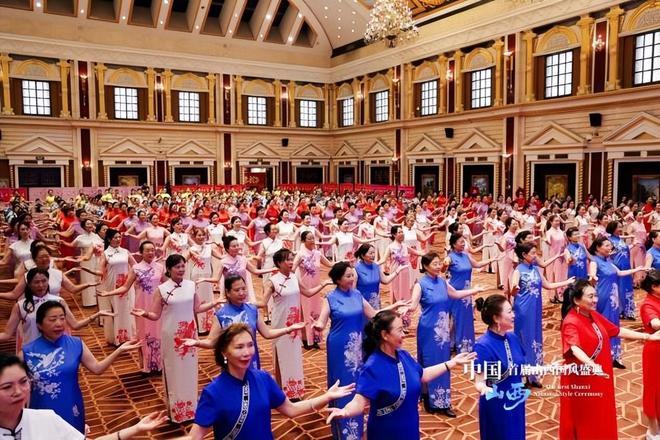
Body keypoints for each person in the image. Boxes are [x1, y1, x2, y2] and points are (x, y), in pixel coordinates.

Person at [187, 323, 355, 439]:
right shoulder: (213, 393)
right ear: (224, 352)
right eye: (239, 347)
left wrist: (326, 396)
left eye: (250, 345)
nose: (247, 352)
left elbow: (291, 410)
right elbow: (194, 437)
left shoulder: (263, 379)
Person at [324, 310, 474, 439]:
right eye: (400, 330)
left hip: (410, 427)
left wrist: (452, 363)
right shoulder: (372, 366)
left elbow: (423, 375)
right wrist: (345, 412)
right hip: (386, 432)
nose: (404, 334)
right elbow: (359, 402)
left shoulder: (404, 355)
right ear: (385, 335)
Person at [312, 262, 406, 439]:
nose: (352, 278)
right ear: (338, 279)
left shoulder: (357, 294)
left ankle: (355, 423)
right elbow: (322, 322)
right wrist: (317, 327)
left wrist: (393, 307)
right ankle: (341, 427)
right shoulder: (330, 298)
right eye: (348, 276)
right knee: (342, 383)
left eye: (352, 275)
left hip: (357, 346)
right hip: (339, 348)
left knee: (357, 382)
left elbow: (374, 314)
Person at [559, 280, 660, 440]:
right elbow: (574, 347)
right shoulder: (571, 322)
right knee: (588, 418)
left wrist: (647, 337)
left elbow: (617, 331)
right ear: (577, 300)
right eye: (590, 296)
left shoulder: (592, 315)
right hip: (584, 377)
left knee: (603, 413)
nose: (595, 300)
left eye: (595, 295)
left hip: (601, 374)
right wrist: (591, 364)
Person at [21, 300, 141, 433]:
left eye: (62, 318)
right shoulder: (27, 352)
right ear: (39, 325)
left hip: (71, 405)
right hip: (41, 409)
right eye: (52, 319)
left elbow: (97, 368)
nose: (59, 323)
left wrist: (119, 351)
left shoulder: (76, 344)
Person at [131, 254, 219, 423]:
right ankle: (176, 410)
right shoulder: (162, 289)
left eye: (183, 266)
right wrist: (145, 314)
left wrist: (214, 303)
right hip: (171, 335)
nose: (181, 269)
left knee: (190, 369)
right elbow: (155, 315)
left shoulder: (191, 285)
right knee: (173, 370)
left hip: (190, 334)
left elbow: (197, 308)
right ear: (169, 269)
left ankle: (191, 407)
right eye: (177, 267)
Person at [0, 353, 168, 439]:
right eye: (7, 387)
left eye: (24, 382)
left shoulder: (45, 419)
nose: (18, 391)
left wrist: (136, 428)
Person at [406, 251, 484, 416]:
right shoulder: (420, 284)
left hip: (444, 330)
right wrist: (405, 310)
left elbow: (456, 294)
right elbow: (413, 305)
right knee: (429, 362)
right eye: (434, 264)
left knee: (444, 362)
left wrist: (473, 290)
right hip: (428, 330)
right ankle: (428, 397)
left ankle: (443, 400)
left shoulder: (442, 282)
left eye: (439, 263)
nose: (438, 266)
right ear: (425, 266)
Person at [191, 275, 307, 371]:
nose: (242, 293)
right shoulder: (221, 314)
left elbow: (267, 333)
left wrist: (288, 329)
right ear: (228, 292)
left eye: (243, 288)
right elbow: (212, 342)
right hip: (231, 363)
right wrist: (196, 342)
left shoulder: (252, 309)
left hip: (251, 359)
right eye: (237, 290)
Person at [510, 242, 575, 387]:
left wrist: (566, 282)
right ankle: (522, 376)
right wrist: (514, 289)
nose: (535, 256)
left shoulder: (535, 269)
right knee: (524, 339)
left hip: (535, 309)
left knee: (535, 338)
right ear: (524, 255)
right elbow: (513, 292)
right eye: (533, 253)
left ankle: (533, 374)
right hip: (523, 310)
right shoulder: (518, 271)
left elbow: (548, 286)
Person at [0, 268, 110, 352]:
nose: (41, 285)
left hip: (56, 349)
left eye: (44, 281)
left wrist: (96, 315)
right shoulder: (21, 306)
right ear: (29, 284)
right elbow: (7, 334)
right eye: (36, 282)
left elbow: (75, 325)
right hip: (32, 351)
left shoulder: (58, 301)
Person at [98, 240, 165, 373]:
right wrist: (109, 293)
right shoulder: (136, 268)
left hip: (157, 305)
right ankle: (146, 366)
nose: (151, 252)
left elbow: (166, 284)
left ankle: (158, 364)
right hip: (142, 306)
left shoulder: (160, 267)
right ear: (141, 253)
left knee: (158, 332)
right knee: (144, 333)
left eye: (152, 250)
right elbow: (125, 287)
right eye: (147, 250)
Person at [588, 236, 649, 369]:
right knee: (604, 324)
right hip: (603, 298)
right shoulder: (594, 262)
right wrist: (593, 277)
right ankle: (603, 355)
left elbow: (620, 273)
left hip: (614, 299)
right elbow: (592, 275)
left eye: (610, 245)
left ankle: (614, 356)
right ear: (598, 248)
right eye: (607, 246)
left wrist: (637, 269)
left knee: (614, 324)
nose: (610, 248)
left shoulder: (609, 261)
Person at [473, 294, 527, 440]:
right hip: (497, 405)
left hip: (516, 400)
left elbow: (520, 368)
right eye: (509, 312)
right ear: (496, 318)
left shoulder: (513, 338)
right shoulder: (484, 346)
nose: (514, 315)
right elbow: (480, 382)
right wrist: (485, 389)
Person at [444, 233, 496, 353]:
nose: (463, 244)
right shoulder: (450, 257)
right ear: (453, 244)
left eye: (464, 242)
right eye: (461, 242)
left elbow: (477, 265)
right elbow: (442, 270)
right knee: (457, 319)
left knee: (466, 319)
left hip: (467, 292)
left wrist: (491, 260)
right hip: (456, 292)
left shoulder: (466, 255)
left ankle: (465, 344)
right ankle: (457, 345)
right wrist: (444, 265)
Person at [354, 243, 405, 310]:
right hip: (362, 303)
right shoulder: (356, 268)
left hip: (375, 302)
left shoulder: (376, 266)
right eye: (370, 253)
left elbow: (385, 280)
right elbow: (353, 290)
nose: (373, 255)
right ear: (362, 255)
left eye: (374, 253)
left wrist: (397, 271)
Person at [641, 270, 660, 440]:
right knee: (653, 390)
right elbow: (655, 324)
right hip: (655, 352)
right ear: (654, 287)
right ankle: (652, 430)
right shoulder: (648, 304)